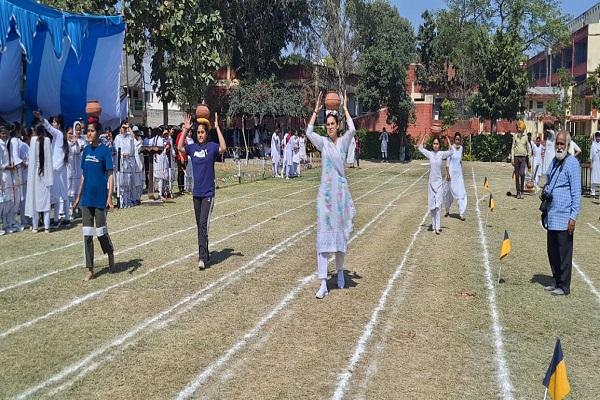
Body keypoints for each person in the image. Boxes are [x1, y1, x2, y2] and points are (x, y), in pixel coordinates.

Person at [306, 92, 356, 299]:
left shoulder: (343, 142)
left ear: (338, 125)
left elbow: (352, 129)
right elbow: (308, 131)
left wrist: (344, 107)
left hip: (340, 196)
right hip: (325, 198)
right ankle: (324, 283)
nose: (330, 126)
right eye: (327, 124)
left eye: (333, 123)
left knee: (340, 236)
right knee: (323, 239)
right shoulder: (323, 143)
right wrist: (316, 110)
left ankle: (341, 272)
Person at [178, 112, 226, 270]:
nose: (200, 135)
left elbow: (223, 147)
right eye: (198, 132)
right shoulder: (192, 148)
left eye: (202, 132)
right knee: (200, 225)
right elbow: (179, 147)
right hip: (196, 193)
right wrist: (185, 129)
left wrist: (217, 128)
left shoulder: (211, 147)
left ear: (207, 133)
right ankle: (206, 252)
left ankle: (202, 257)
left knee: (203, 224)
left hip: (208, 193)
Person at [72, 120, 115, 281]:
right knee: (87, 234)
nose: (88, 133)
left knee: (101, 232)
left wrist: (110, 197)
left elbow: (110, 175)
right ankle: (90, 268)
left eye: (91, 131)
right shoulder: (86, 151)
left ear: (98, 132)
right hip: (87, 199)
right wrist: (78, 196)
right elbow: (83, 175)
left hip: (100, 199)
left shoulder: (105, 151)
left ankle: (110, 252)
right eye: (87, 131)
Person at [542, 131, 580, 296]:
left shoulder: (572, 163)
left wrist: (573, 218)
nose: (558, 146)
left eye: (562, 144)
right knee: (552, 251)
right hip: (552, 215)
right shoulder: (554, 162)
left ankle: (564, 286)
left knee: (564, 253)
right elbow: (549, 181)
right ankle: (557, 281)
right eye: (557, 143)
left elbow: (576, 193)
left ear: (567, 145)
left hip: (564, 217)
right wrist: (544, 191)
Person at [419, 133, 453, 235]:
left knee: (438, 206)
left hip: (439, 184)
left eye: (437, 144)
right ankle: (433, 226)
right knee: (432, 207)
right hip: (431, 184)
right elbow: (420, 148)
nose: (435, 145)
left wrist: (448, 139)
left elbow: (451, 151)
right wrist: (424, 137)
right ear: (432, 145)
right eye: (434, 143)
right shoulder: (429, 154)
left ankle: (437, 227)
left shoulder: (442, 154)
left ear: (439, 145)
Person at [25, 123, 53, 233]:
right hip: (45, 174)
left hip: (36, 174)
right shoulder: (47, 140)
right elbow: (49, 161)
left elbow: (32, 160)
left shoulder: (33, 140)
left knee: (35, 201)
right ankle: (46, 226)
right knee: (45, 202)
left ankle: (35, 226)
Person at [443, 132, 467, 220]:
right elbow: (447, 163)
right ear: (454, 140)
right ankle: (447, 210)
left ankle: (461, 213)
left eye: (458, 139)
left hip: (458, 175)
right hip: (451, 175)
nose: (457, 141)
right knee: (447, 193)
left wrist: (461, 172)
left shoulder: (461, 148)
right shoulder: (451, 148)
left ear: (460, 140)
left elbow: (460, 161)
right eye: (456, 139)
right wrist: (448, 174)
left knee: (461, 193)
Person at [113, 122, 136, 208]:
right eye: (123, 128)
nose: (124, 129)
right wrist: (122, 154)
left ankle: (127, 201)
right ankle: (121, 202)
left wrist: (129, 127)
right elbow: (116, 150)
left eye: (125, 128)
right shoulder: (117, 138)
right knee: (121, 183)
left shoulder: (128, 136)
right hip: (120, 162)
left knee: (128, 182)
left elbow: (133, 138)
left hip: (128, 162)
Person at [511, 126, 530, 199]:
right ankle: (518, 192)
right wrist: (512, 158)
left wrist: (529, 159)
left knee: (522, 173)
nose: (519, 131)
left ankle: (522, 191)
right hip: (516, 157)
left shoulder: (526, 137)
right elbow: (512, 147)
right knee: (517, 175)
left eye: (520, 130)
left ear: (523, 130)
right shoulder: (515, 136)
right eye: (518, 130)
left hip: (523, 157)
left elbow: (528, 148)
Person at [132, 126, 145, 203]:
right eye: (135, 132)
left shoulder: (140, 139)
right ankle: (135, 197)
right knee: (136, 182)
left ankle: (139, 197)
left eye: (137, 132)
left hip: (141, 162)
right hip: (135, 163)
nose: (136, 134)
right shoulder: (132, 141)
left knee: (141, 181)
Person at [591, 131, 600, 196]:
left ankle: (598, 192)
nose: (598, 138)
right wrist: (591, 163)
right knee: (593, 177)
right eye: (597, 137)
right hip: (594, 162)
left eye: (599, 137)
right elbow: (591, 155)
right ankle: (592, 192)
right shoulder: (593, 144)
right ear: (595, 137)